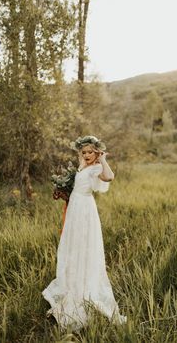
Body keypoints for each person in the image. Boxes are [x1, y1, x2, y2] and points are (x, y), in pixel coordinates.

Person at [42, 135, 127, 330]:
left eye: (90, 152)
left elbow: (110, 177)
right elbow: (77, 179)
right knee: (72, 245)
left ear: (96, 152)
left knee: (84, 246)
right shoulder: (82, 164)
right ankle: (72, 281)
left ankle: (85, 288)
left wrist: (103, 159)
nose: (87, 155)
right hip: (75, 208)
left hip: (85, 210)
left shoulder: (98, 167)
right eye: (84, 152)